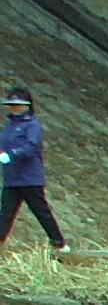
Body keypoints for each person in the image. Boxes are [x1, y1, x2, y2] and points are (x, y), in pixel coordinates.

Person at [0, 87, 68, 255]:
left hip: (30, 178)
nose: (14, 108)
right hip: (12, 178)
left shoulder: (33, 125)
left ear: (27, 106)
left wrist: (12, 155)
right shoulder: (9, 126)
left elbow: (31, 147)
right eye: (11, 105)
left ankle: (59, 244)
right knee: (5, 213)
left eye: (18, 105)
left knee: (41, 211)